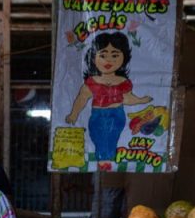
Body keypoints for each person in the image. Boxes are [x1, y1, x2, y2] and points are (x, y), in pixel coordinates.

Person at [65, 32, 152, 171]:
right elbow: (81, 99)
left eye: (115, 55)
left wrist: (141, 100)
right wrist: (73, 115)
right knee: (97, 136)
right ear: (93, 57)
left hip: (116, 114)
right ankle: (104, 159)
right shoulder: (92, 82)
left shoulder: (123, 81)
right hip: (98, 115)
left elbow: (127, 98)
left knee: (112, 137)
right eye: (103, 55)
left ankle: (105, 161)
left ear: (124, 58)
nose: (108, 60)